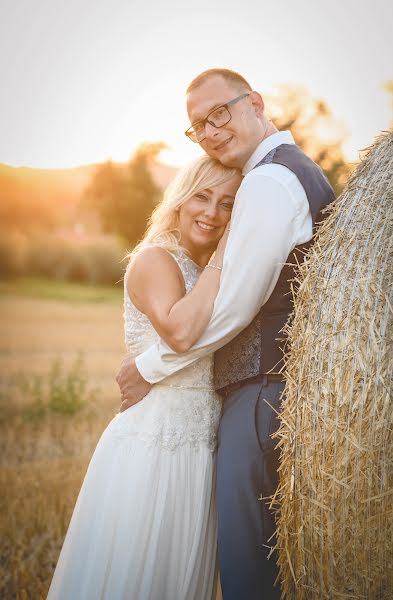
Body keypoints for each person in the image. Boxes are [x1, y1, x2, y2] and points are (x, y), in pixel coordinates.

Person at [117, 68, 336, 600]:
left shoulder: (268, 181)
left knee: (246, 571)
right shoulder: (295, 172)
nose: (212, 131)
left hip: (259, 392)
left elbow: (234, 309)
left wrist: (147, 369)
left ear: (255, 102)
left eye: (221, 113)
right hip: (266, 394)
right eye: (198, 126)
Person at [47, 155, 242, 600]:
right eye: (203, 196)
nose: (212, 213)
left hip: (201, 445)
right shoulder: (156, 259)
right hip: (157, 440)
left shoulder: (213, 270)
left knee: (179, 577)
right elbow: (179, 332)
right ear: (180, 198)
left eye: (228, 205)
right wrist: (226, 255)